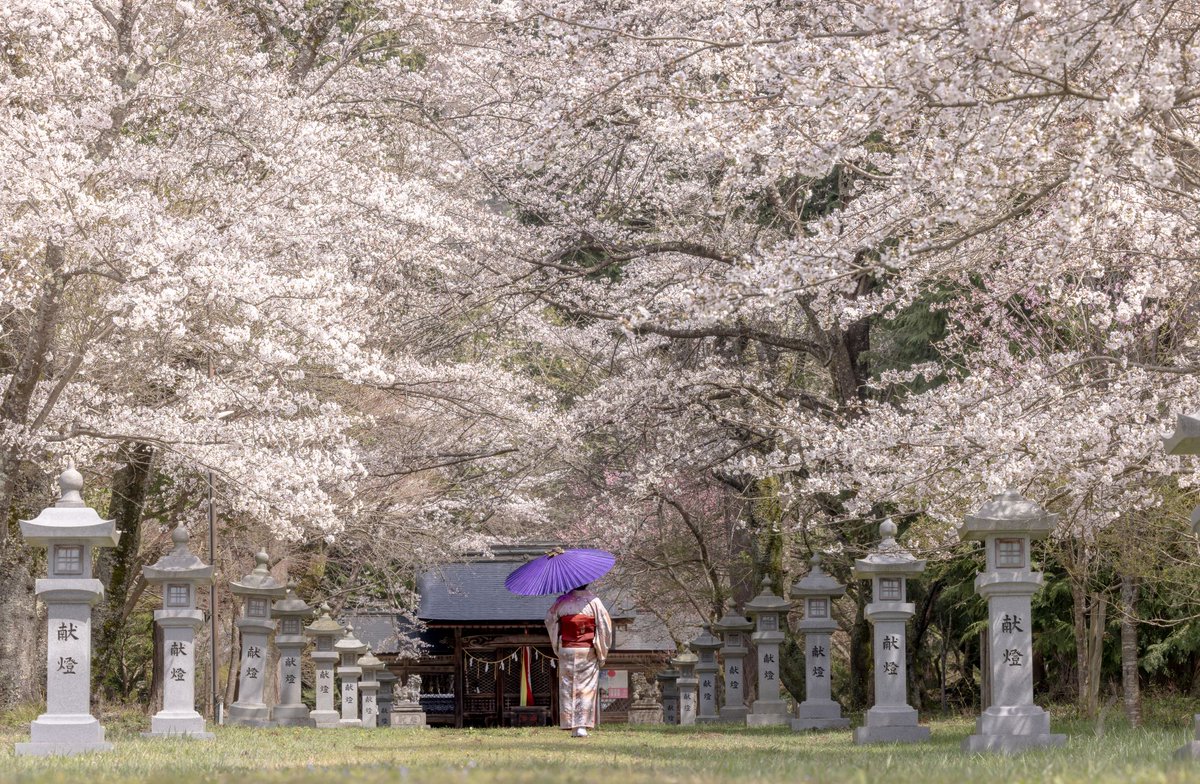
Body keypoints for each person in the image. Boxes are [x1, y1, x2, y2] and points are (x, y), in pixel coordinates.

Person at [545, 583, 613, 737]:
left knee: (568, 687)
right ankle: (581, 726)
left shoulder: (561, 601)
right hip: (586, 649)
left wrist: (558, 641)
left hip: (567, 649)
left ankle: (572, 725)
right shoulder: (594, 601)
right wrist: (601, 651)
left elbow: (549, 620)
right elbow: (605, 626)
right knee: (586, 687)